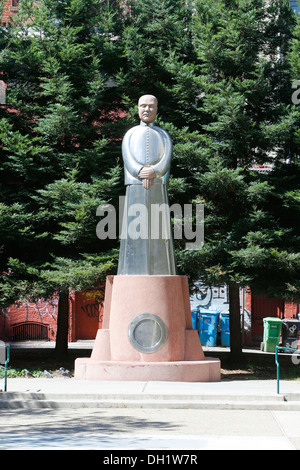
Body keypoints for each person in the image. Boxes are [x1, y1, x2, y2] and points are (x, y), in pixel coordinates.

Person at [118, 95, 176, 275]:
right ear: (137, 108)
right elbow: (127, 158)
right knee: (134, 228)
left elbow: (166, 159)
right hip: (135, 186)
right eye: (143, 106)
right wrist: (139, 170)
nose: (147, 110)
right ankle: (130, 270)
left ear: (156, 110)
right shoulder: (130, 134)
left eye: (151, 106)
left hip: (157, 186)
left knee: (159, 229)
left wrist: (155, 171)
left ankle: (161, 269)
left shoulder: (163, 135)